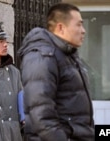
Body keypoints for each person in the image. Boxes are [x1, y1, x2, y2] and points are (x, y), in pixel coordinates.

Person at [18, 3, 95, 141]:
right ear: (61, 27)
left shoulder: (67, 55)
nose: (83, 30)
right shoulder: (43, 56)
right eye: (78, 25)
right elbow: (41, 113)